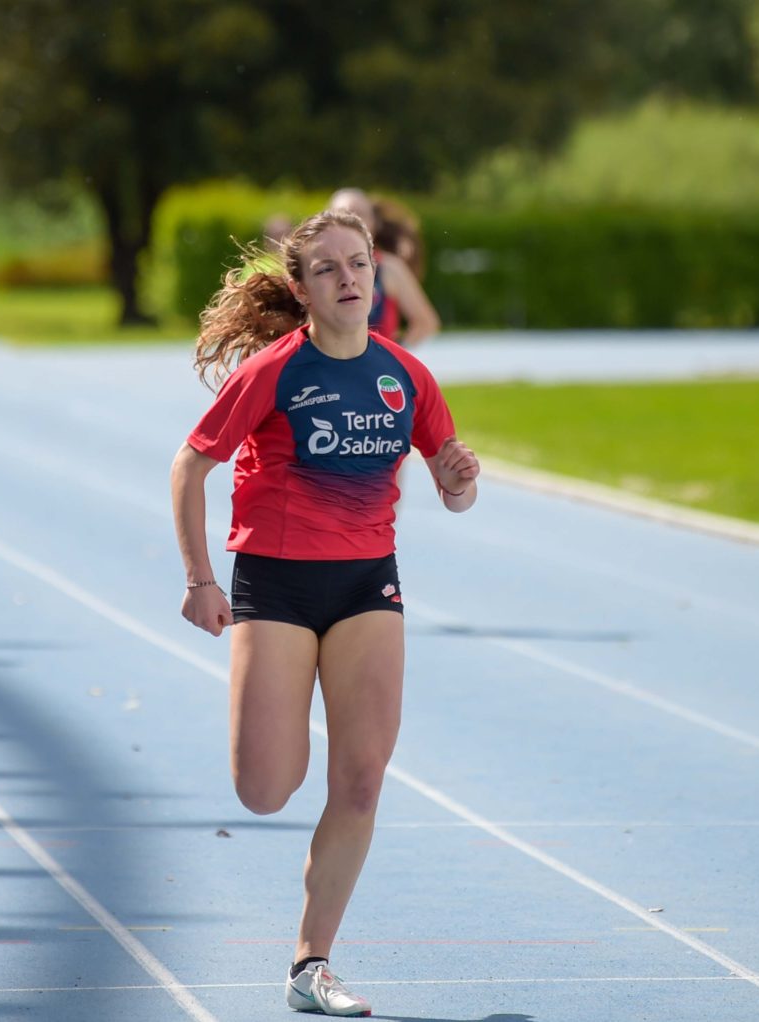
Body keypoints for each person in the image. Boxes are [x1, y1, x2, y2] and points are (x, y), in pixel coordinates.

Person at [170, 209, 479, 1016]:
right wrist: (200, 579)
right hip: (274, 585)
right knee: (266, 788)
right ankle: (279, 717)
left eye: (359, 263)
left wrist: (457, 480)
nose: (348, 278)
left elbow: (455, 493)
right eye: (328, 268)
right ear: (303, 290)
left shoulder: (407, 376)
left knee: (362, 781)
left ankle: (312, 964)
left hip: (366, 584)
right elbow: (189, 466)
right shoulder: (273, 372)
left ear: (378, 276)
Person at [326, 189, 440, 349]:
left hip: (375, 363)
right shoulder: (316, 267)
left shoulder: (389, 267)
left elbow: (426, 322)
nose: (351, 222)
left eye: (360, 214)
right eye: (343, 214)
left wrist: (392, 354)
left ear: (375, 223)